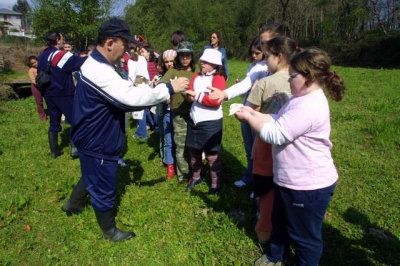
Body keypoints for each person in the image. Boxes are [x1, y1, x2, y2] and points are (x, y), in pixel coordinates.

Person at [61, 18, 189, 241]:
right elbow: (129, 99)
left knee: (91, 173)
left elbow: (121, 91)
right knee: (103, 185)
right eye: (125, 45)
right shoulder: (100, 70)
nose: (127, 50)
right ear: (110, 43)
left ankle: (72, 204)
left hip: (89, 137)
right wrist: (168, 88)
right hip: (97, 140)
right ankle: (109, 231)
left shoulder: (95, 64)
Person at [234, 47, 345, 266]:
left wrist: (249, 119)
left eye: (292, 77)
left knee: (304, 236)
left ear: (309, 78)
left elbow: (276, 134)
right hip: (289, 180)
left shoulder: (310, 106)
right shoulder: (299, 98)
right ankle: (276, 256)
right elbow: (278, 118)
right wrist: (254, 112)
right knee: (281, 221)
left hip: (308, 186)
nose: (288, 82)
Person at [208, 23, 285, 188]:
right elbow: (246, 83)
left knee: (272, 156)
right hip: (255, 113)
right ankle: (256, 181)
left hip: (276, 121)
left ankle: (266, 187)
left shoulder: (288, 69)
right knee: (255, 151)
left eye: (266, 43)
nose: (263, 47)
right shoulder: (261, 68)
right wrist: (225, 94)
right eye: (261, 43)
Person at [246, 36, 297, 253]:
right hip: (292, 148)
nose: (265, 61)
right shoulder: (301, 81)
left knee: (265, 189)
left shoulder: (264, 83)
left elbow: (250, 110)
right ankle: (288, 230)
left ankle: (264, 229)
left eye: (267, 57)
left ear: (279, 56)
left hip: (266, 144)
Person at [37, 30, 86, 159]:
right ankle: (75, 149)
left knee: (54, 122)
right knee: (75, 121)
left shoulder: (42, 55)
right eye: (62, 38)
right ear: (57, 40)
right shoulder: (60, 55)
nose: (63, 40)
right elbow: (79, 63)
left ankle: (54, 151)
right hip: (63, 93)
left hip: (48, 93)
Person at [185, 48, 226, 194]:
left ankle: (216, 183)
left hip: (210, 121)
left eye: (206, 61)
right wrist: (188, 96)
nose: (201, 62)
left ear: (215, 64)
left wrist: (196, 96)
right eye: (201, 60)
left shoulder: (219, 78)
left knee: (211, 154)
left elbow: (215, 101)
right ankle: (196, 177)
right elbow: (190, 93)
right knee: (194, 151)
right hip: (195, 119)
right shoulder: (196, 76)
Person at [161, 41, 196, 183]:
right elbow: (161, 85)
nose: (185, 58)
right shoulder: (173, 72)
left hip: (195, 114)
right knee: (180, 145)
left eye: (188, 55)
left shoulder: (196, 73)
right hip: (179, 114)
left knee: (193, 145)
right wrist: (167, 95)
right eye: (182, 55)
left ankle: (195, 172)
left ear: (192, 57)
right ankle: (184, 175)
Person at [158, 49, 177, 179]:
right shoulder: (162, 78)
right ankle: (170, 166)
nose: (169, 64)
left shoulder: (182, 74)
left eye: (172, 61)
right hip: (167, 111)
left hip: (181, 112)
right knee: (168, 139)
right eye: (166, 62)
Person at [27, 55, 47, 121]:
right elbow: (33, 80)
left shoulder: (43, 67)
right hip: (36, 88)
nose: (34, 64)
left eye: (35, 62)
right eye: (32, 63)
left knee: (49, 101)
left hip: (45, 86)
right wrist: (39, 84)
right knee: (39, 103)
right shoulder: (31, 70)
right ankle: (43, 117)